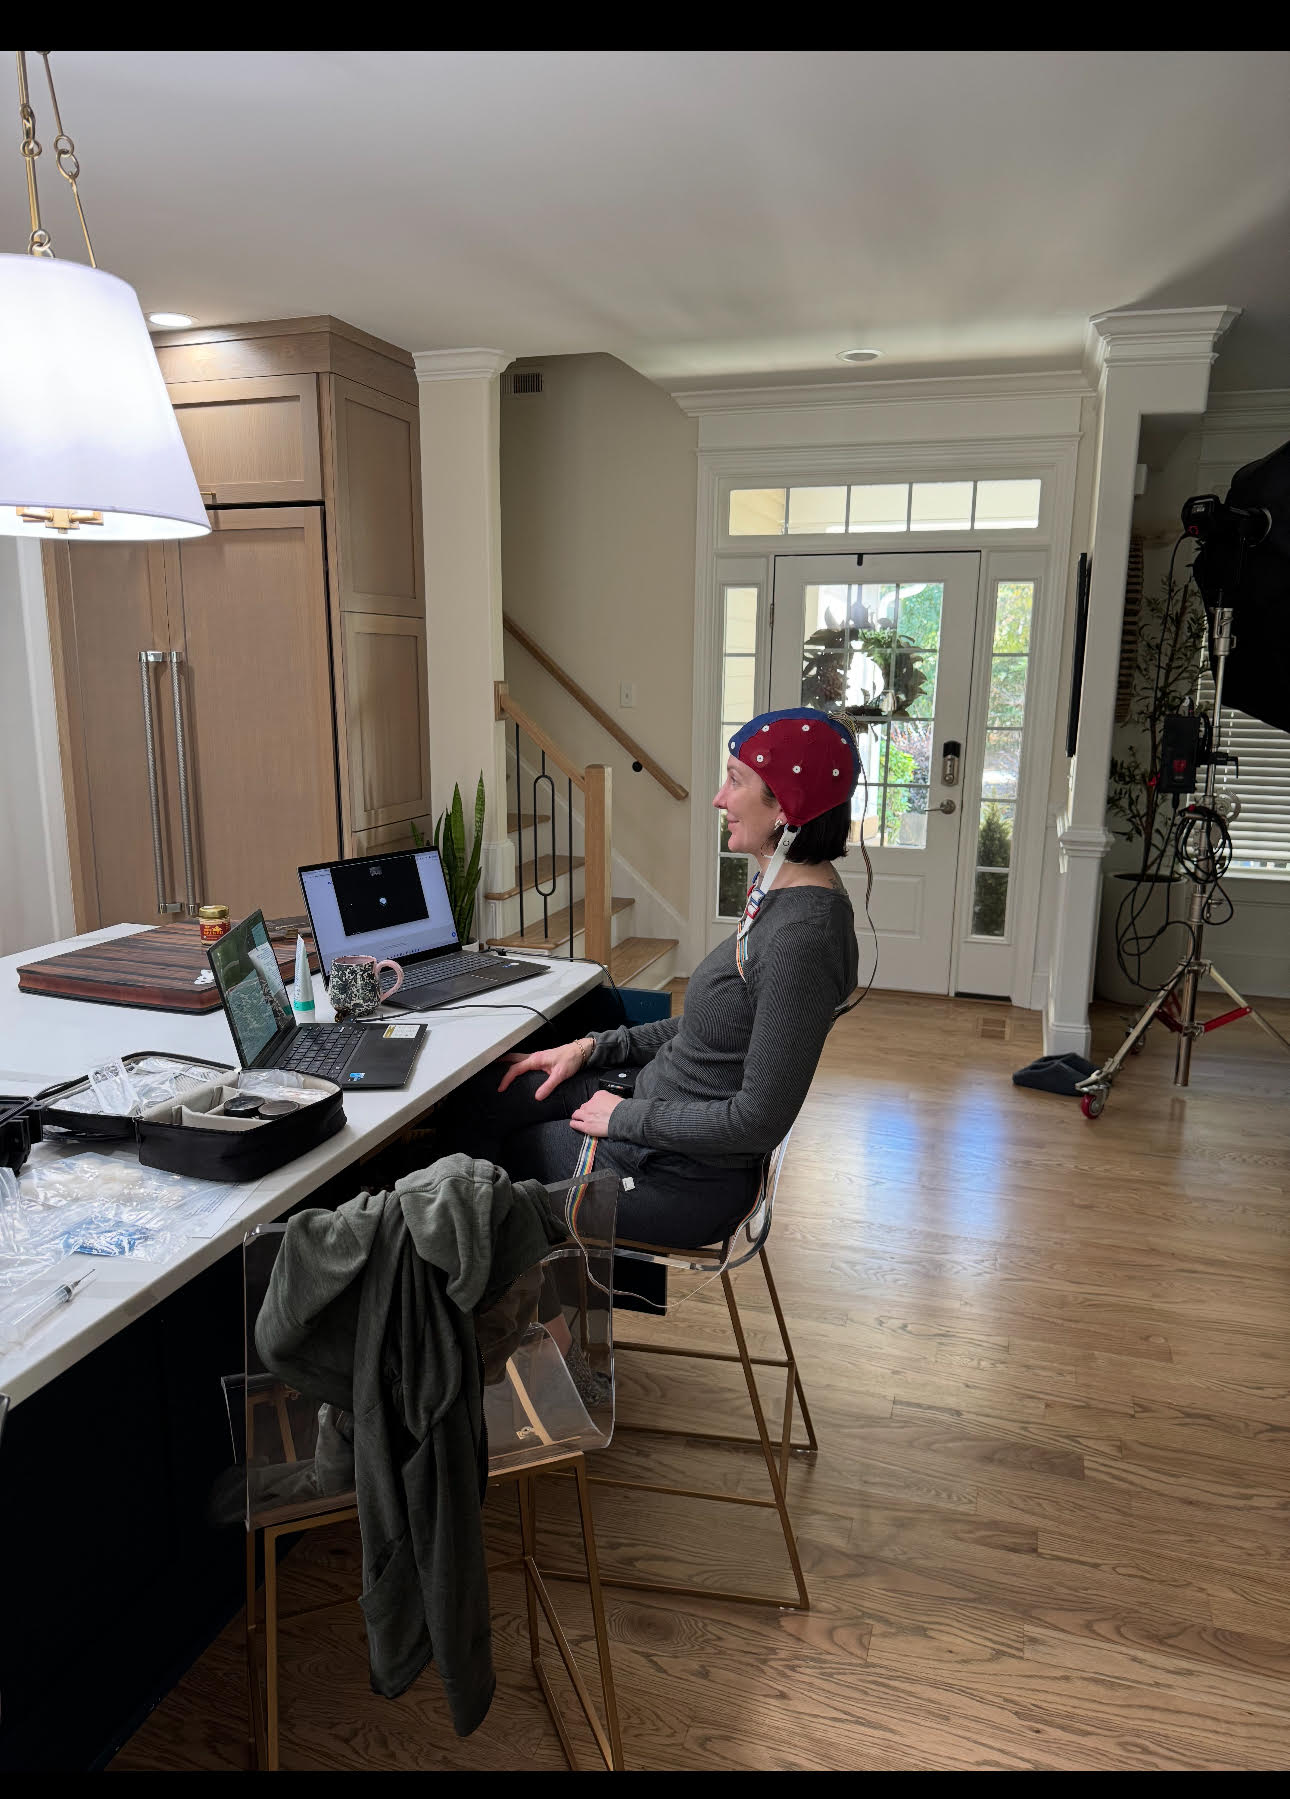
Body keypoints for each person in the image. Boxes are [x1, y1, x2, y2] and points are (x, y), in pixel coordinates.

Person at [453, 707, 861, 1251]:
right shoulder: (781, 894)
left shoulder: (801, 938)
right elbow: (712, 1030)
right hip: (654, 1118)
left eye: (735, 780)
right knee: (482, 1097)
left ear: (787, 807)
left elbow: (758, 1123)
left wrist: (626, 1118)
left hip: (674, 1177)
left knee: (479, 1176)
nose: (718, 798)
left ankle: (524, 1321)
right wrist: (591, 1046)